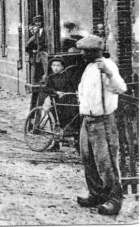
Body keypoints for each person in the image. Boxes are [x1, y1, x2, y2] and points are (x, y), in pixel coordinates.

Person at [75, 35, 127, 216]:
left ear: (94, 52)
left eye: (85, 52)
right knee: (87, 158)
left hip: (103, 121)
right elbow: (81, 90)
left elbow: (121, 88)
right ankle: (96, 194)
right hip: (87, 120)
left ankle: (114, 199)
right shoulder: (89, 68)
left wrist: (109, 74)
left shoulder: (108, 66)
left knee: (106, 162)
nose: (82, 55)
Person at [42, 57, 78, 151]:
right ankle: (56, 144)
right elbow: (46, 89)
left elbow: (72, 87)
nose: (56, 68)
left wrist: (69, 93)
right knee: (57, 122)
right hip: (56, 101)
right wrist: (56, 92)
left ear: (62, 67)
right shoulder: (50, 77)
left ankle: (76, 142)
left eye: (58, 65)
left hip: (67, 100)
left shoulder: (67, 77)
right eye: (53, 65)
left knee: (74, 118)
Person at [25, 15, 48, 108]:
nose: (38, 24)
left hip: (44, 54)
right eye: (36, 22)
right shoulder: (36, 33)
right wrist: (33, 51)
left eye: (39, 22)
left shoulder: (46, 31)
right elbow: (28, 45)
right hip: (38, 56)